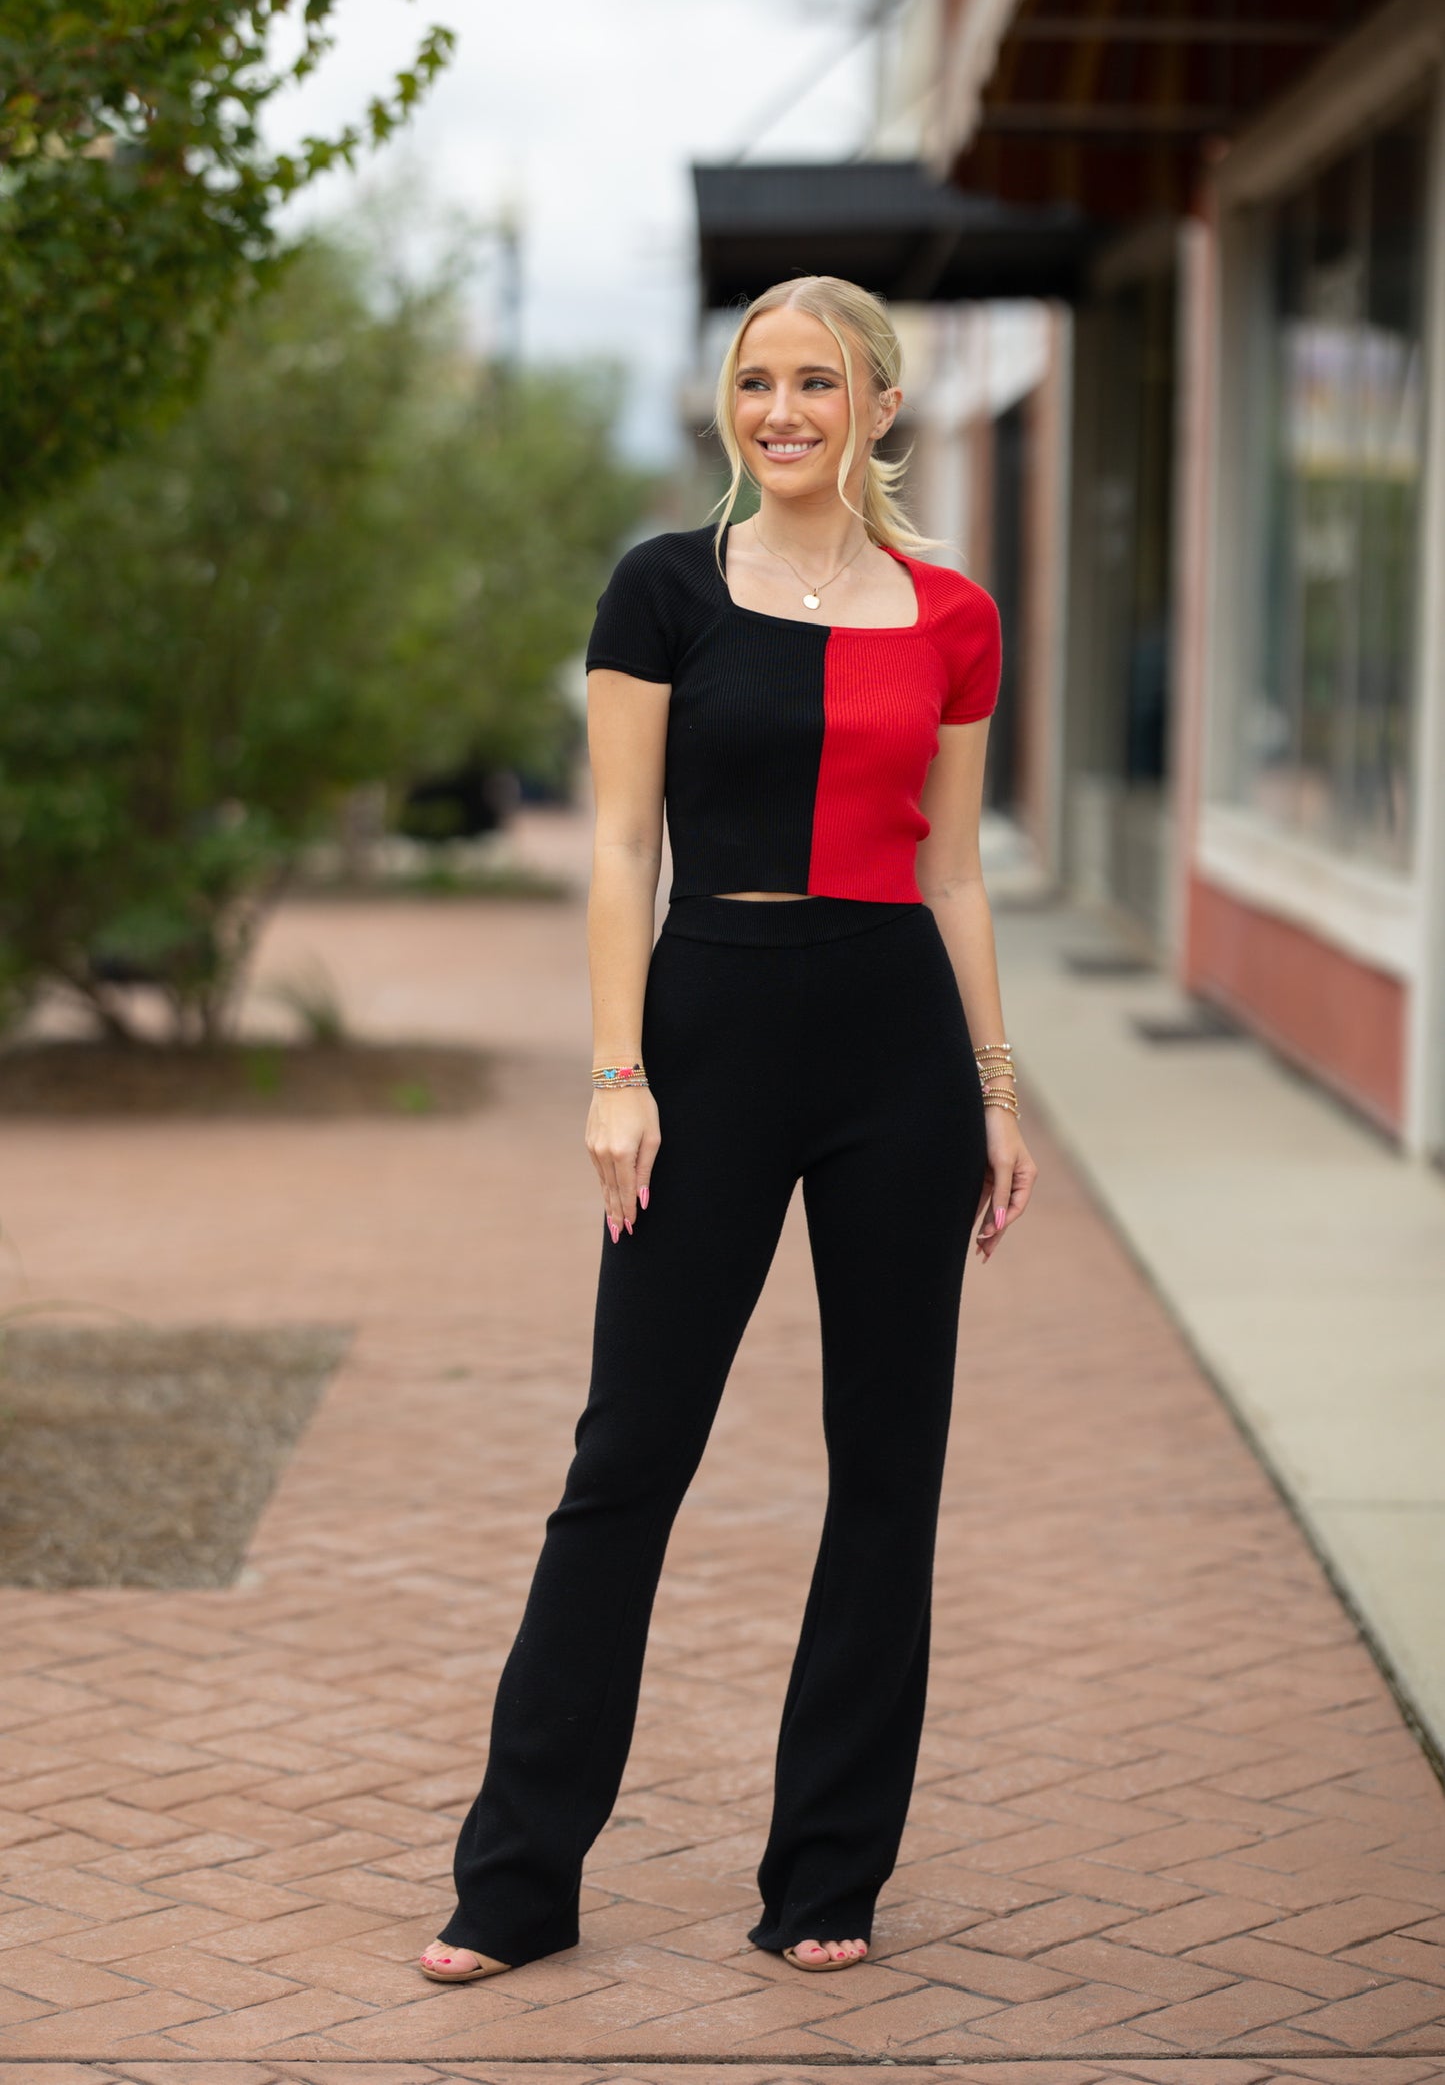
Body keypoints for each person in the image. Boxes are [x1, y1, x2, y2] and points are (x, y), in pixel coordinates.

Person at [419, 274, 1037, 1986]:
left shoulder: (951, 615)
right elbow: (621, 850)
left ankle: (827, 1873)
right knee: (626, 1462)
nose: (779, 410)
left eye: (815, 383)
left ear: (878, 407)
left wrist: (994, 1090)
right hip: (709, 1024)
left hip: (894, 1048)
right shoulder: (665, 587)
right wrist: (616, 1073)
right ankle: (516, 1882)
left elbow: (953, 866)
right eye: (754, 381)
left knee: (885, 1472)